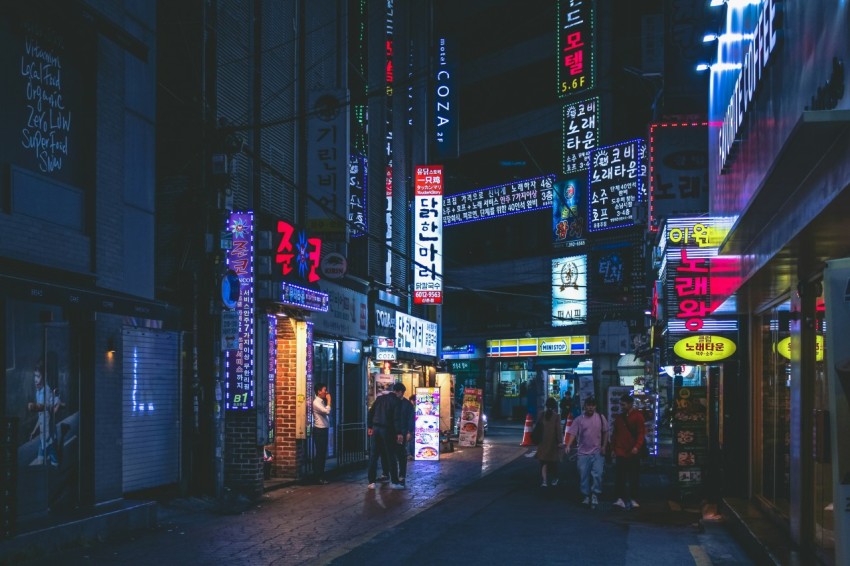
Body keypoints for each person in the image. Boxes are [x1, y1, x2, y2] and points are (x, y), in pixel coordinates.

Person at [565, 397, 608, 507]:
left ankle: (595, 494)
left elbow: (605, 432)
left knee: (598, 474)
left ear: (595, 406)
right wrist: (568, 445)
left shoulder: (601, 418)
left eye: (592, 405)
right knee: (583, 476)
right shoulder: (579, 420)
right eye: (588, 405)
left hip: (597, 452)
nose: (590, 407)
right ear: (584, 406)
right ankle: (586, 495)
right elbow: (573, 433)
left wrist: (604, 446)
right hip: (582, 453)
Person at [367, 382, 406, 490]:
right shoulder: (397, 401)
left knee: (373, 455)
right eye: (402, 393)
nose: (402, 396)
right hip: (388, 430)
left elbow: (370, 412)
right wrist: (399, 433)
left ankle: (371, 482)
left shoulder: (380, 399)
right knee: (391, 455)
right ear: (399, 392)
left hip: (376, 429)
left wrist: (370, 426)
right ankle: (394, 481)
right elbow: (396, 419)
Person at [611, 394, 646, 509]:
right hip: (621, 450)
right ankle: (620, 498)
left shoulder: (638, 416)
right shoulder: (619, 418)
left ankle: (633, 498)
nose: (621, 407)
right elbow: (615, 434)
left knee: (633, 477)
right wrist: (613, 449)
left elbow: (641, 433)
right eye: (620, 404)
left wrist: (637, 447)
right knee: (620, 477)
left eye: (623, 404)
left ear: (630, 404)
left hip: (632, 451)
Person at [535, 397, 564, 487]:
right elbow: (558, 430)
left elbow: (537, 427)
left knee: (543, 462)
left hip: (542, 443)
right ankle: (554, 479)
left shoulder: (541, 414)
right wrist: (560, 441)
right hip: (553, 443)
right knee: (553, 462)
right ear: (555, 406)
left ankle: (544, 481)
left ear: (546, 405)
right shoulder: (556, 416)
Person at [312, 383, 332, 484]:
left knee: (322, 453)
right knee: (320, 454)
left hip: (323, 429)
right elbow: (326, 412)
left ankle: (321, 476)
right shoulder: (316, 402)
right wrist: (329, 401)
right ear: (319, 392)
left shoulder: (321, 401)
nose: (326, 392)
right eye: (324, 390)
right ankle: (318, 477)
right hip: (319, 430)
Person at [397, 393, 416, 484]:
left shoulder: (405, 405)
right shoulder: (408, 405)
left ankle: (398, 476)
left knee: (400, 452)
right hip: (403, 431)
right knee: (402, 451)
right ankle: (401, 476)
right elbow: (411, 419)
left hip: (400, 431)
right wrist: (409, 431)